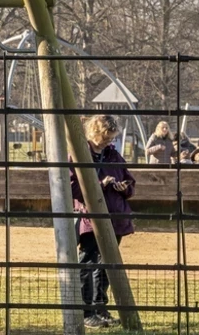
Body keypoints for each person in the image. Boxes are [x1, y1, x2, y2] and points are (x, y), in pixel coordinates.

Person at [69, 114, 135, 329]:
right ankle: (86, 311)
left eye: (111, 138)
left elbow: (129, 179)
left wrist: (125, 187)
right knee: (88, 263)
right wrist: (100, 184)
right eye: (105, 137)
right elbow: (73, 187)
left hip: (116, 216)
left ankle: (100, 307)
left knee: (107, 264)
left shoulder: (113, 154)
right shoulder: (79, 155)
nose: (108, 141)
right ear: (94, 133)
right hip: (91, 217)